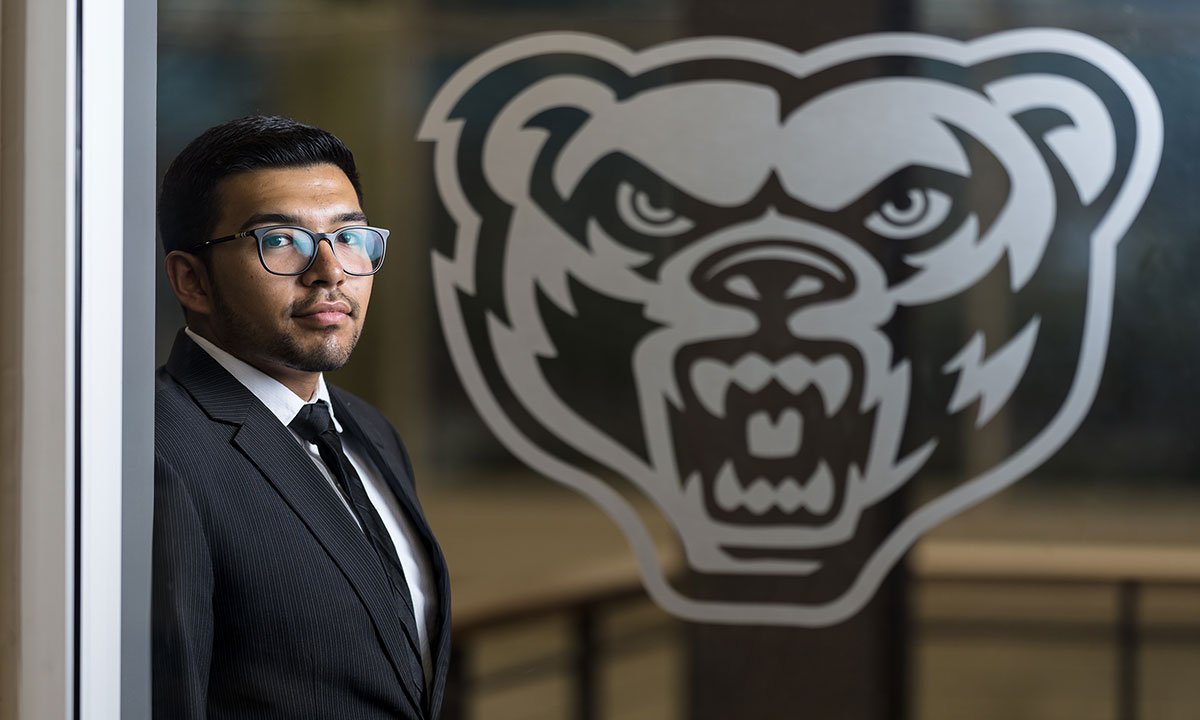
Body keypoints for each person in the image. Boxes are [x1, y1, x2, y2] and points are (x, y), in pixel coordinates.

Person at [153, 115, 450, 719]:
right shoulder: (156, 449)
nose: (331, 271)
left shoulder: (368, 430)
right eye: (281, 240)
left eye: (348, 238)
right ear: (192, 280)